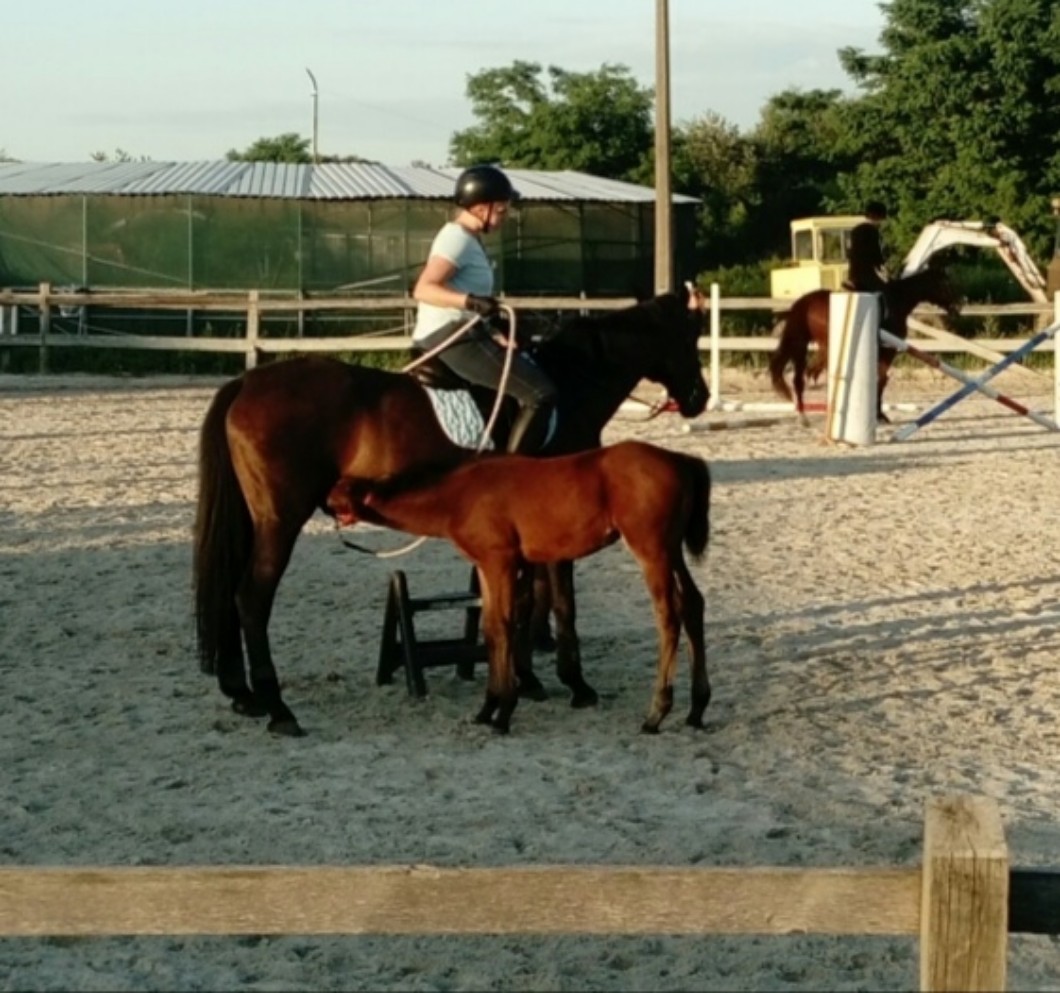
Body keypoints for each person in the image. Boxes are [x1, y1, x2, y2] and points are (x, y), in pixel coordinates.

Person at [412, 164, 557, 453]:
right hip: (451, 337)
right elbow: (424, 288)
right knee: (541, 394)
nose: (504, 216)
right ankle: (513, 471)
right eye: (501, 210)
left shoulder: (469, 239)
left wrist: (495, 330)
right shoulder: (456, 239)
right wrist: (470, 301)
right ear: (481, 209)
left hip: (463, 331)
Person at [844, 200, 890, 293]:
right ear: (878, 216)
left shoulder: (855, 230)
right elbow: (875, 253)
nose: (881, 223)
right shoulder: (872, 231)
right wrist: (883, 266)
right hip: (866, 274)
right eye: (882, 219)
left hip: (853, 274)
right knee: (888, 290)